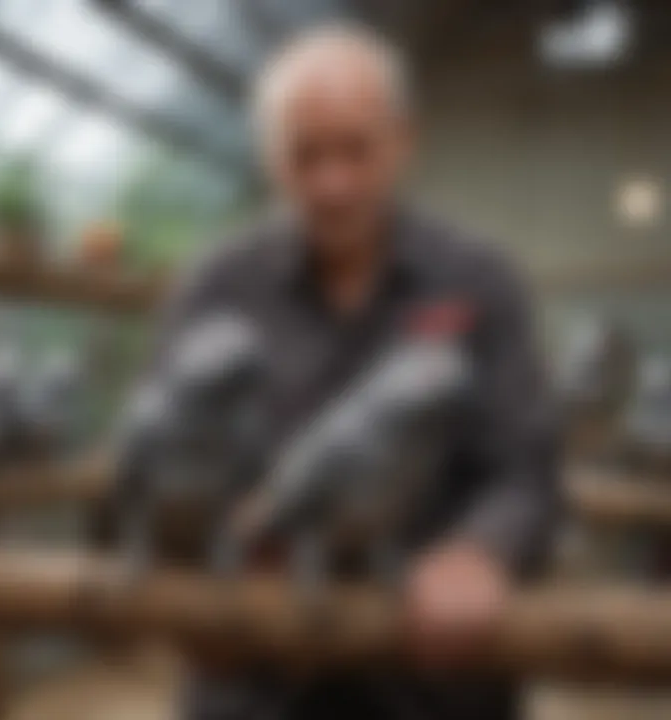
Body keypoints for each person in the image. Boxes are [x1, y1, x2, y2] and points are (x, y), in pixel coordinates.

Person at [137, 24, 559, 720]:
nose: (333, 184)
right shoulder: (216, 290)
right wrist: (188, 580)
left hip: (432, 681)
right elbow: (159, 460)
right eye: (306, 155)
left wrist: (480, 551)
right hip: (255, 679)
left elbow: (525, 470)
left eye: (357, 150)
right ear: (271, 157)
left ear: (403, 141)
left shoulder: (480, 281)